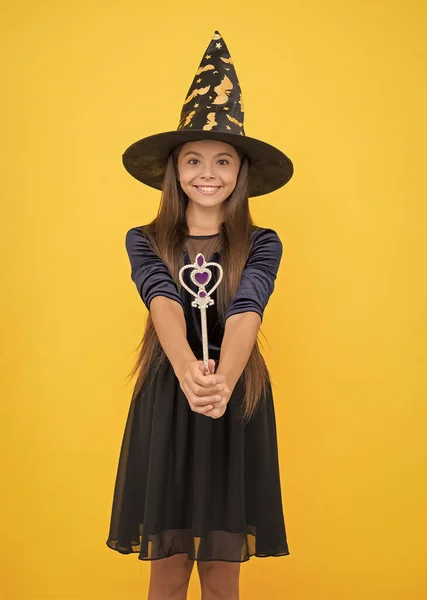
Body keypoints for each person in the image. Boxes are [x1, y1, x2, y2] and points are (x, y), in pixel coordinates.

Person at [106, 30, 294, 600]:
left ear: (240, 173)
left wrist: (222, 383)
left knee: (221, 569)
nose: (206, 172)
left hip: (234, 403)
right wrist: (189, 371)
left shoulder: (262, 242)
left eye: (221, 160)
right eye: (192, 160)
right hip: (169, 398)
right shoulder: (145, 239)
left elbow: (246, 308)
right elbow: (161, 296)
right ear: (174, 169)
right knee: (167, 566)